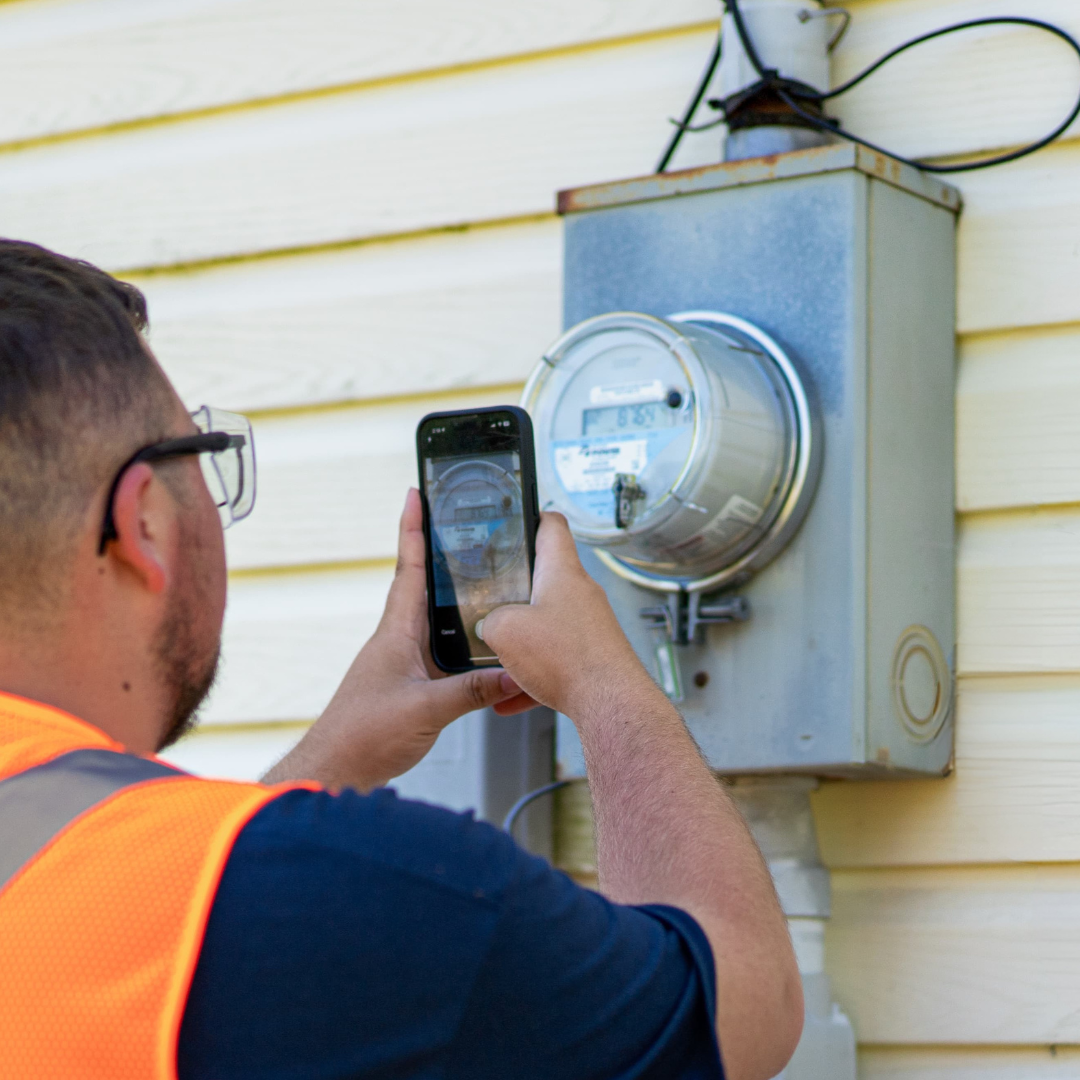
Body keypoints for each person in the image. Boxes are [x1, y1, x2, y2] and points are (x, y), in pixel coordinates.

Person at [0, 239, 803, 1080]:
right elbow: (743, 1003)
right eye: (200, 455)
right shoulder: (369, 891)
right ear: (144, 523)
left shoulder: (182, 890)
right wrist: (605, 684)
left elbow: (152, 910)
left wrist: (332, 757)